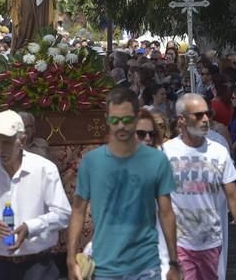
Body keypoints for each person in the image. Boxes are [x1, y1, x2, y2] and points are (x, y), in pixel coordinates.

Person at [67, 87, 179, 280]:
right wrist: (70, 258)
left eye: (126, 120)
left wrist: (174, 262)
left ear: (136, 118)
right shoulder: (91, 162)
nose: (120, 126)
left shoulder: (157, 160)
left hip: (146, 266)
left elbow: (166, 213)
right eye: (114, 120)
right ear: (107, 119)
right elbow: (78, 211)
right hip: (105, 268)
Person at [162, 93, 236, 280]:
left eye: (207, 114)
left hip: (211, 243)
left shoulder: (218, 151)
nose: (205, 119)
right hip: (179, 244)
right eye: (198, 115)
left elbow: (234, 197)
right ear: (182, 120)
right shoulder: (166, 153)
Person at [0, 110, 70, 280]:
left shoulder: (44, 169)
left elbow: (63, 214)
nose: (1, 150)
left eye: (7, 143)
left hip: (38, 265)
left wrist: (31, 227)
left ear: (22, 141)